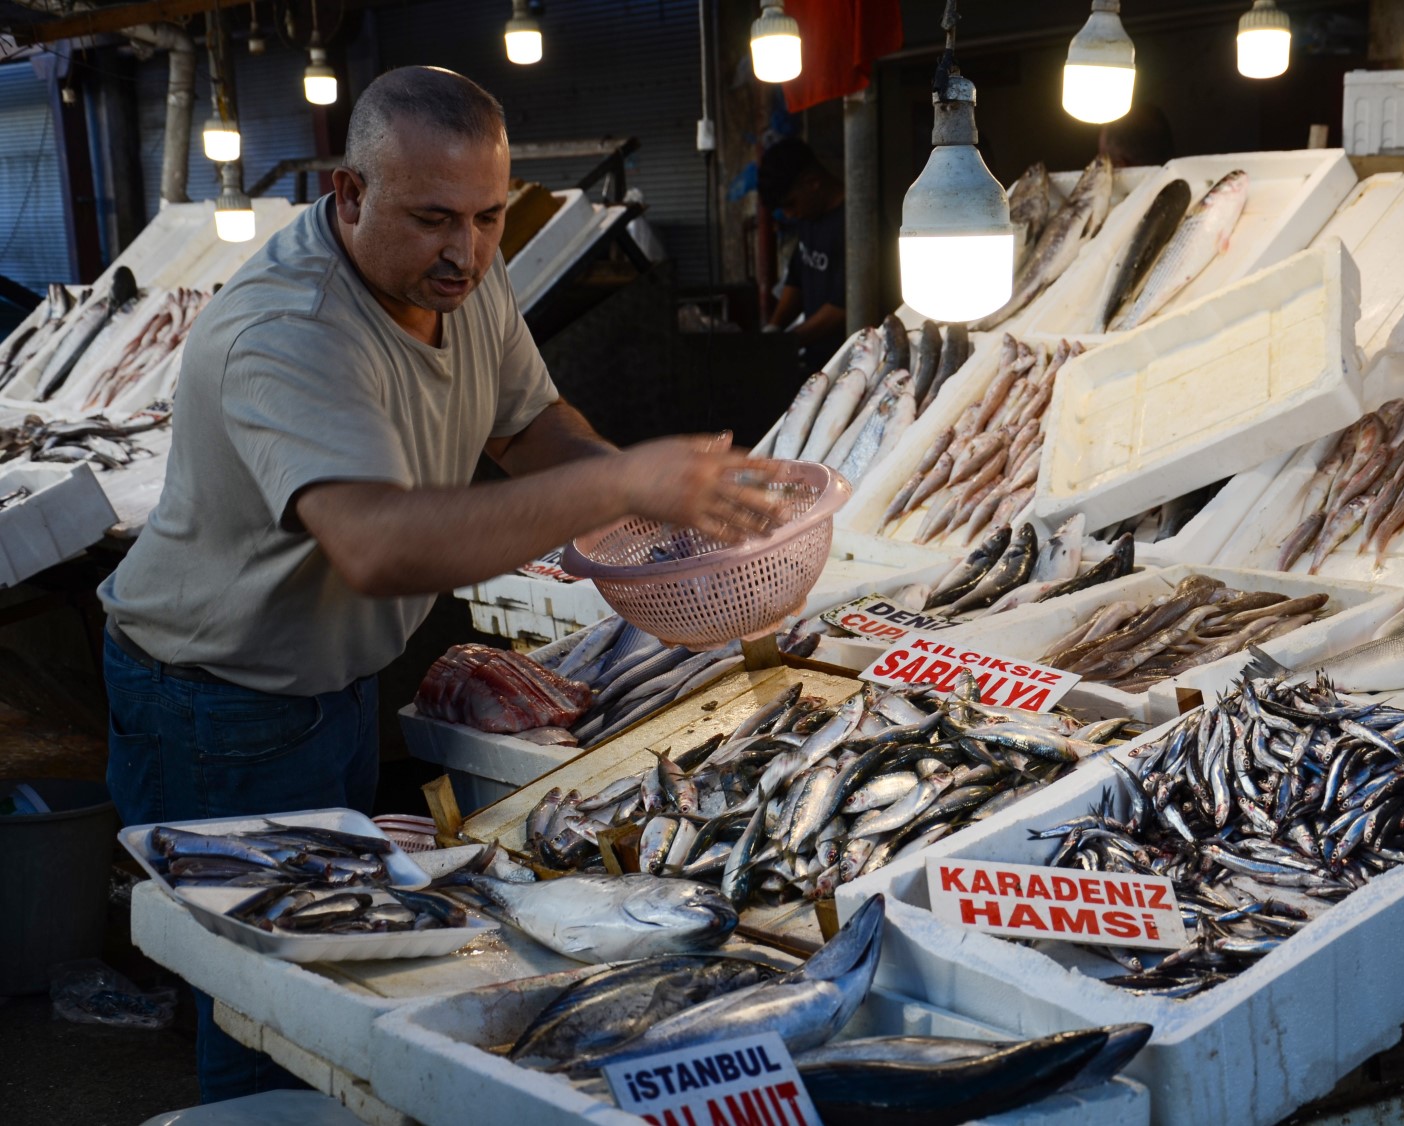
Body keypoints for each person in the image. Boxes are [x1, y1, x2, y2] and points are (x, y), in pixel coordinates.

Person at [98, 66, 783, 1103]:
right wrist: (618, 480)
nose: (465, 251)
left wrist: (657, 520)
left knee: (336, 985)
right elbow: (374, 544)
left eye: (487, 217)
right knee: (269, 1013)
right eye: (430, 219)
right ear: (347, 192)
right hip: (212, 706)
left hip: (326, 688)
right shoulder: (289, 330)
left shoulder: (457, 275)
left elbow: (528, 427)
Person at [758, 138, 847, 372]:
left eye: (791, 204)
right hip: (815, 359)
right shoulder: (809, 217)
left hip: (850, 362)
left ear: (813, 183)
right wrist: (774, 328)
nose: (789, 214)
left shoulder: (854, 224)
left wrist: (787, 342)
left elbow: (842, 307)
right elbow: (796, 278)